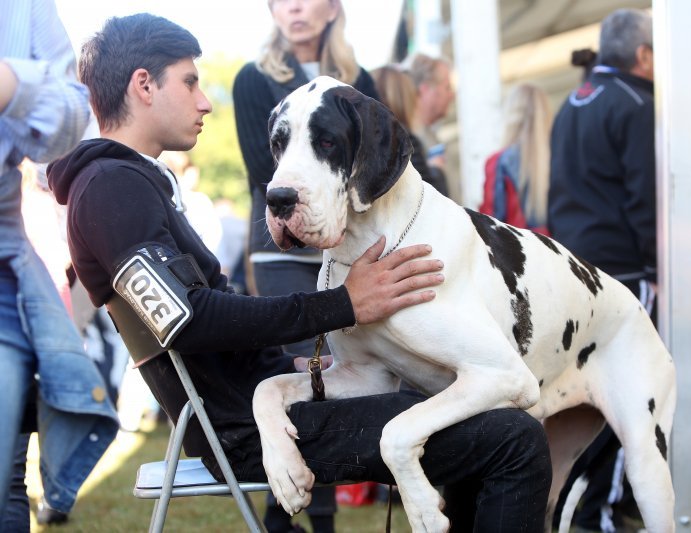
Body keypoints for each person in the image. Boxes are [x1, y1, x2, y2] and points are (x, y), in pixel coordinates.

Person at [47, 12, 553, 533]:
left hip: (264, 401)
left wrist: (309, 365)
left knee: (485, 420)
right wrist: (345, 305)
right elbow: (186, 320)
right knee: (514, 440)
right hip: (246, 429)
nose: (204, 101)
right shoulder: (110, 187)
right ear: (144, 85)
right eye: (191, 81)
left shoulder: (128, 183)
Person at [233, 2, 381, 528]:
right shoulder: (253, 79)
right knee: (302, 380)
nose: (293, 6)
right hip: (282, 252)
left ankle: (319, 520)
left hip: (347, 250)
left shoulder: (359, 80)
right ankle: (287, 518)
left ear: (333, 8)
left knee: (349, 377)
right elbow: (262, 169)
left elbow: (372, 171)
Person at [0, 0, 119, 528]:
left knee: (6, 472)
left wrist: (10, 83)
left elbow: (70, 116)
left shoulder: (23, 8)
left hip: (18, 274)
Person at [547, 8, 655, 532]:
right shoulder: (637, 104)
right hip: (623, 274)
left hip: (571, 271)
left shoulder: (572, 101)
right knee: (627, 398)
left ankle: (575, 508)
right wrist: (659, 266)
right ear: (643, 55)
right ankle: (601, 514)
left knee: (577, 399)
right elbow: (645, 199)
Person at [480, 82, 552, 234]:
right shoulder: (558, 159)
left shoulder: (497, 163)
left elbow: (490, 223)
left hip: (518, 253)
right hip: (558, 252)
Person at [371, 64, 449, 196]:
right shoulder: (404, 141)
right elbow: (429, 199)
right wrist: (437, 170)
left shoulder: (367, 142)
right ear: (403, 97)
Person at [403, 52, 455, 199]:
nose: (452, 95)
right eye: (447, 87)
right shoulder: (409, 141)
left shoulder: (427, 135)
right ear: (425, 89)